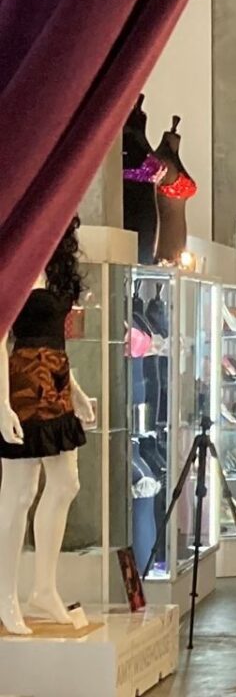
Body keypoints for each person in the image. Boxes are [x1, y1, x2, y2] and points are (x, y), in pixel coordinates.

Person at [0, 217, 97, 633]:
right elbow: (0, 338)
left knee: (66, 483)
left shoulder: (55, 265)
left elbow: (54, 339)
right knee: (19, 492)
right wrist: (2, 403)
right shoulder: (14, 261)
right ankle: (5, 595)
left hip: (56, 382)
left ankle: (43, 588)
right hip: (23, 383)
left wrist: (76, 391)